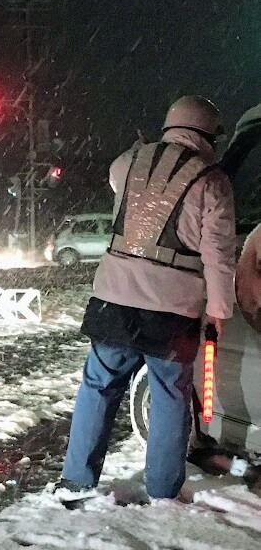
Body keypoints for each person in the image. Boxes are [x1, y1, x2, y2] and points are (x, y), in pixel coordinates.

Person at [59, 95, 237, 499]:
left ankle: (76, 480)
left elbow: (118, 176)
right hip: (172, 310)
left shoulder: (127, 164)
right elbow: (219, 257)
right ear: (209, 133)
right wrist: (219, 311)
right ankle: (162, 489)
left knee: (98, 384)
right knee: (171, 396)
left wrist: (140, 150)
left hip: (114, 299)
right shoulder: (213, 181)